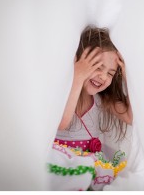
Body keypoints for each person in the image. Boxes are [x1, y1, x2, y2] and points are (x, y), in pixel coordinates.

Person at [47, 26, 131, 190]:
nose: (103, 77)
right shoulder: (64, 93)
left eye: (111, 73)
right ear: (79, 64)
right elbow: (62, 123)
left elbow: (129, 117)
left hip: (90, 165)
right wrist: (78, 76)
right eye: (98, 67)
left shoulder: (101, 99)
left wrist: (129, 79)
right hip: (63, 161)